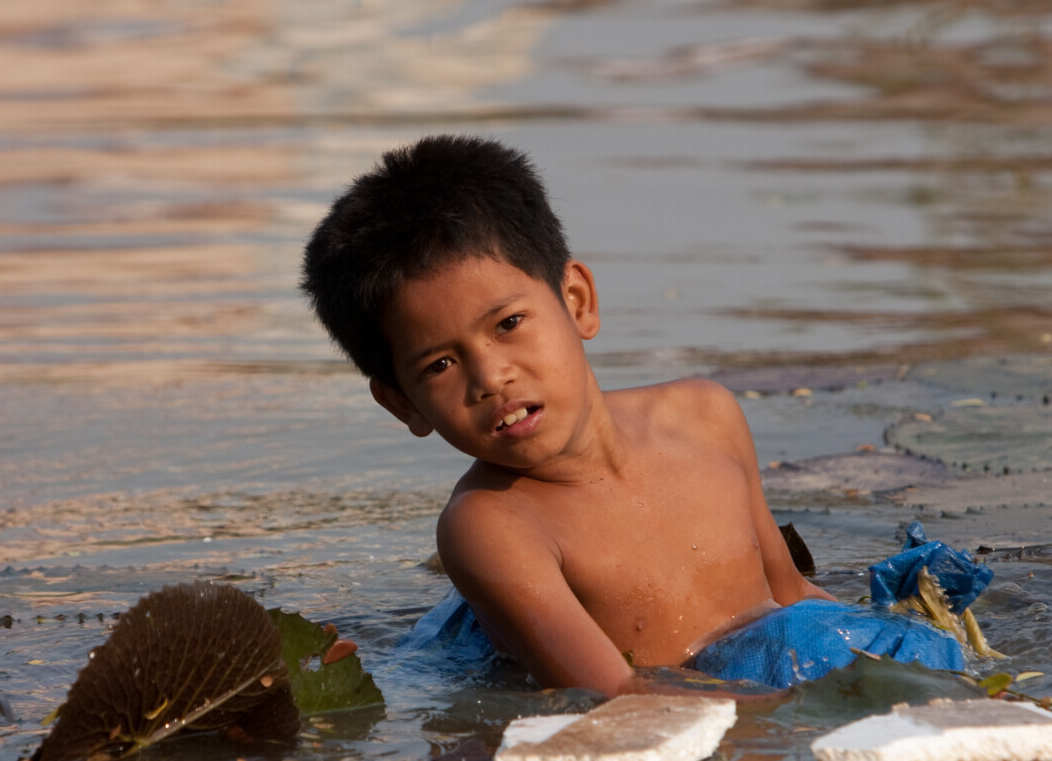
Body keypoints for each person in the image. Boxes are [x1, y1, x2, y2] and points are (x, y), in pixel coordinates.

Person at [302, 135, 972, 697]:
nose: (491, 376)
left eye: (508, 323)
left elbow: (788, 591)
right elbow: (619, 700)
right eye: (440, 365)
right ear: (401, 404)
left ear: (577, 300)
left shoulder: (704, 417)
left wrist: (914, 657)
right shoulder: (493, 526)